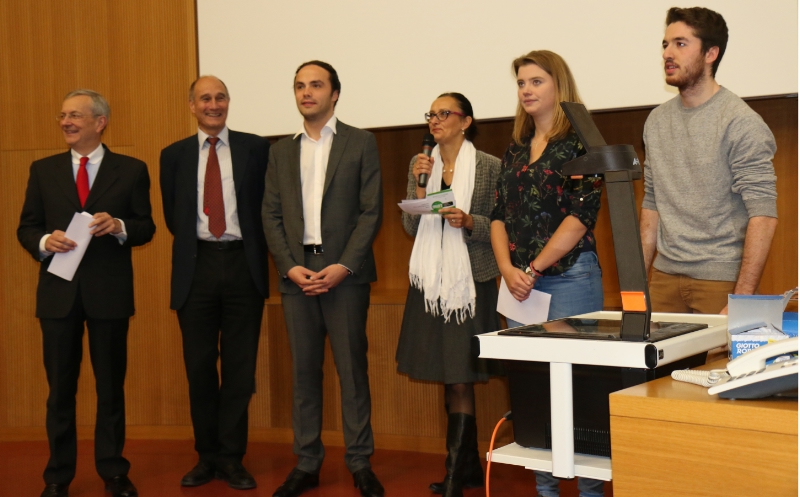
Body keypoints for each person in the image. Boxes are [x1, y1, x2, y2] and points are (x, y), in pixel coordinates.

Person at [17, 89, 155, 497]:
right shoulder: (43, 170)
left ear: (100, 122)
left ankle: (114, 472)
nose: (66, 122)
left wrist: (120, 226)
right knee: (60, 391)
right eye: (62, 116)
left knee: (110, 388)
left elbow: (145, 226)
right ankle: (57, 477)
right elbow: (26, 227)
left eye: (75, 115)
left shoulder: (131, 169)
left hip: (109, 295)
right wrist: (45, 241)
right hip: (57, 296)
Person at [262, 60, 384, 497]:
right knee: (304, 375)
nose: (306, 92)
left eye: (315, 85)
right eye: (299, 86)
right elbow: (271, 215)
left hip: (344, 277)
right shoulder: (280, 151)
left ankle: (360, 462)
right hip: (297, 275)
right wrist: (289, 266)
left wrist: (344, 266)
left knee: (352, 372)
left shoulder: (361, 142)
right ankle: (307, 462)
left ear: (334, 94)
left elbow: (371, 211)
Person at [490, 51, 605, 497]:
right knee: (534, 392)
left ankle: (591, 492)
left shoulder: (580, 144)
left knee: (583, 392)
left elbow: (580, 216)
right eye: (521, 83)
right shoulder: (516, 147)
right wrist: (507, 270)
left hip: (571, 279)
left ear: (559, 85)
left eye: (536, 81)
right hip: (520, 287)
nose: (526, 90)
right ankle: (546, 490)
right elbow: (498, 215)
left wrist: (533, 268)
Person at [159, 76, 270, 490]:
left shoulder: (256, 148)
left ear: (228, 102)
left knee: (240, 371)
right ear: (192, 105)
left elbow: (266, 206)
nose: (213, 104)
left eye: (220, 97)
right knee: (200, 368)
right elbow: (173, 216)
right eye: (204, 98)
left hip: (244, 265)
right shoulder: (173, 155)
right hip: (197, 267)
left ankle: (231, 458)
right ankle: (206, 456)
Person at [640, 7, 778, 314]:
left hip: (720, 281)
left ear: (710, 53)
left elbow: (763, 214)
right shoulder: (656, 121)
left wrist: (742, 298)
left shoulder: (740, 122)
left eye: (681, 43)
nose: (668, 53)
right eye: (665, 44)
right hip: (663, 279)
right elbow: (652, 203)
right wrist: (637, 284)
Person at [396, 93, 500, 497]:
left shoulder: (489, 166)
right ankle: (466, 466)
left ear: (466, 121)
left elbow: (500, 225)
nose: (435, 121)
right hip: (430, 281)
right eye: (431, 114)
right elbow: (410, 226)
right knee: (448, 374)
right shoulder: (421, 163)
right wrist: (419, 184)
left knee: (459, 377)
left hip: (469, 283)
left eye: (444, 113)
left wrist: (470, 220)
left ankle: (456, 474)